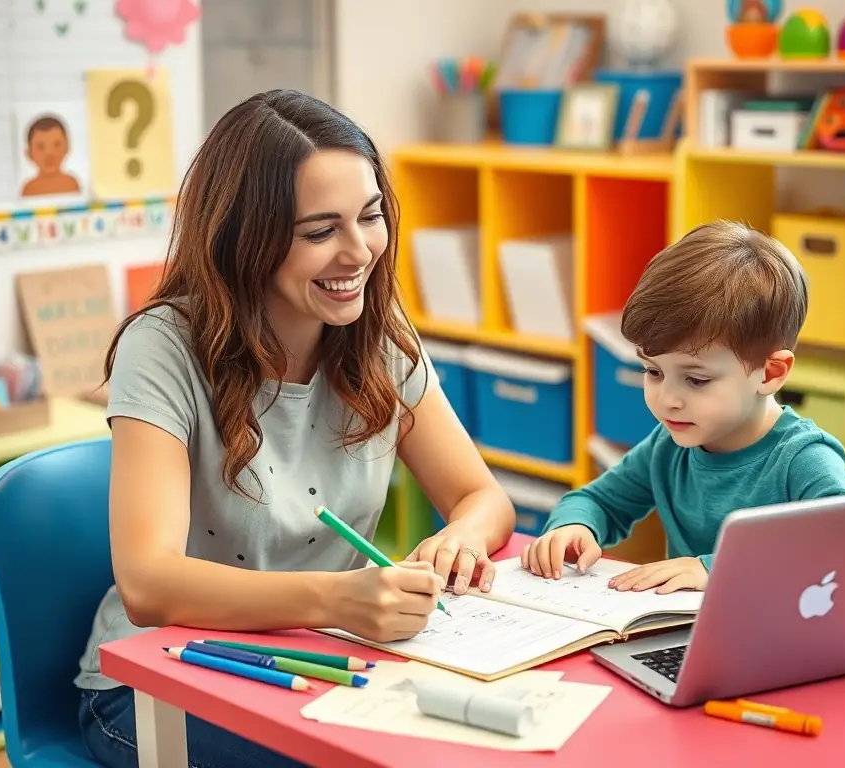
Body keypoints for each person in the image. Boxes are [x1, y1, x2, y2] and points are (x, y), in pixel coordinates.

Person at [75, 90, 515, 767]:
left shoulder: (379, 339)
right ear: (245, 238)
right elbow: (148, 585)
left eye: (370, 217)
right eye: (319, 232)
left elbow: (482, 499)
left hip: (325, 666)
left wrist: (458, 540)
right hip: (159, 684)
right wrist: (336, 598)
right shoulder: (164, 346)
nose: (359, 251)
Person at [521, 220, 845, 593]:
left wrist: (716, 569)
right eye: (653, 371)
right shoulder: (668, 447)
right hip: (683, 637)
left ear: (771, 373)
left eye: (696, 380)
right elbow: (597, 500)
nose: (668, 399)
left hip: (780, 641)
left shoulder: (804, 458)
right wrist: (575, 525)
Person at [20, 115, 81, 197]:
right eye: (40, 147)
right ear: (29, 153)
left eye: (57, 145)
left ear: (67, 147)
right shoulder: (29, 188)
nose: (49, 153)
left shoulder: (71, 183)